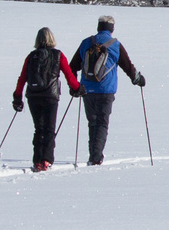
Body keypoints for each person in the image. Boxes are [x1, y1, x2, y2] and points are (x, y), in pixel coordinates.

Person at [70, 15, 145, 166]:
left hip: (87, 90)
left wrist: (74, 87)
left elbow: (73, 66)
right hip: (106, 90)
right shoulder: (115, 45)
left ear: (98, 27)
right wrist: (137, 79)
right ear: (112, 29)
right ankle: (96, 157)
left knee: (92, 122)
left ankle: (93, 154)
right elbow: (128, 66)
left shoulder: (86, 42)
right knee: (102, 123)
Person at [13, 27, 81, 172]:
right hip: (51, 96)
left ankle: (37, 160)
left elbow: (22, 78)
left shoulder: (31, 56)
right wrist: (77, 88)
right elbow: (68, 74)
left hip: (33, 96)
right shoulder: (58, 55)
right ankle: (46, 160)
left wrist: (17, 97)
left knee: (39, 128)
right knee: (49, 129)